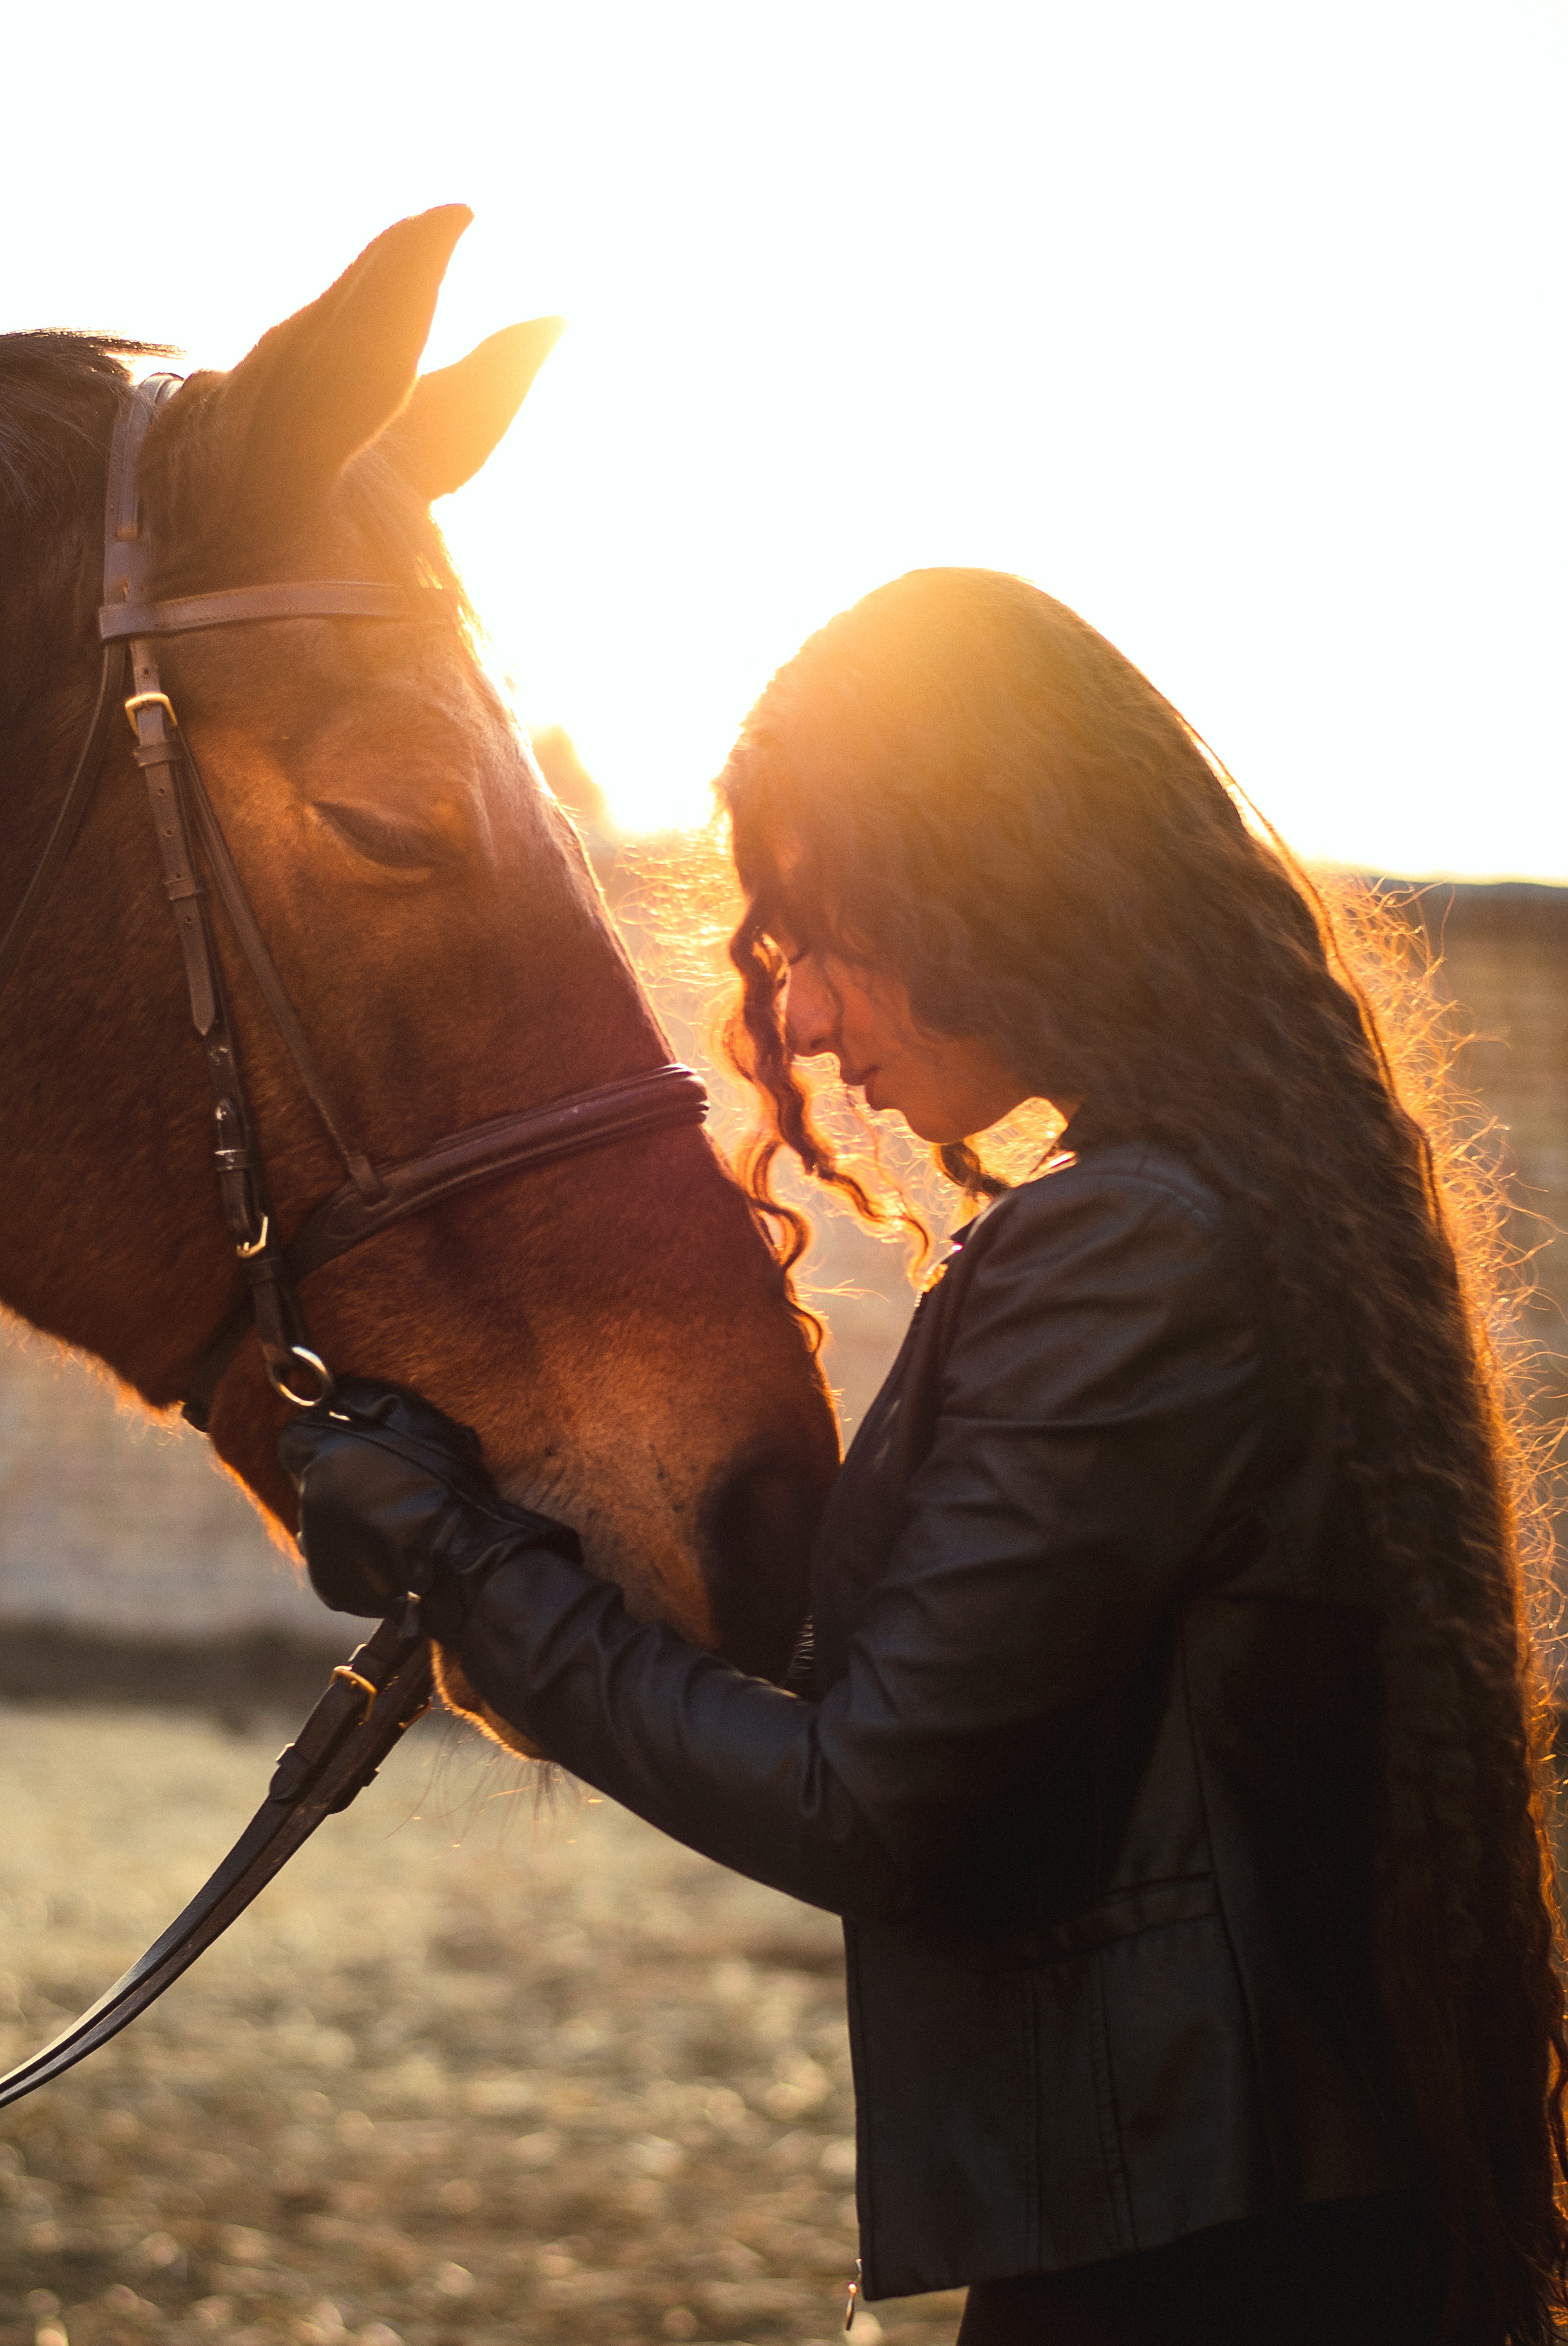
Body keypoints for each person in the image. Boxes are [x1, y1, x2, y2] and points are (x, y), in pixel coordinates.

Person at [278, 570, 1568, 2345]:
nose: (793, 1017)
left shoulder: (1143, 1247)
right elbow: (925, 1678)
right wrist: (489, 1517)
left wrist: (468, 1574)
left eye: (819, 930)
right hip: (1227, 2219)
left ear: (990, 874)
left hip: (1198, 2269)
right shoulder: (1199, 1213)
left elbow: (876, 1798)